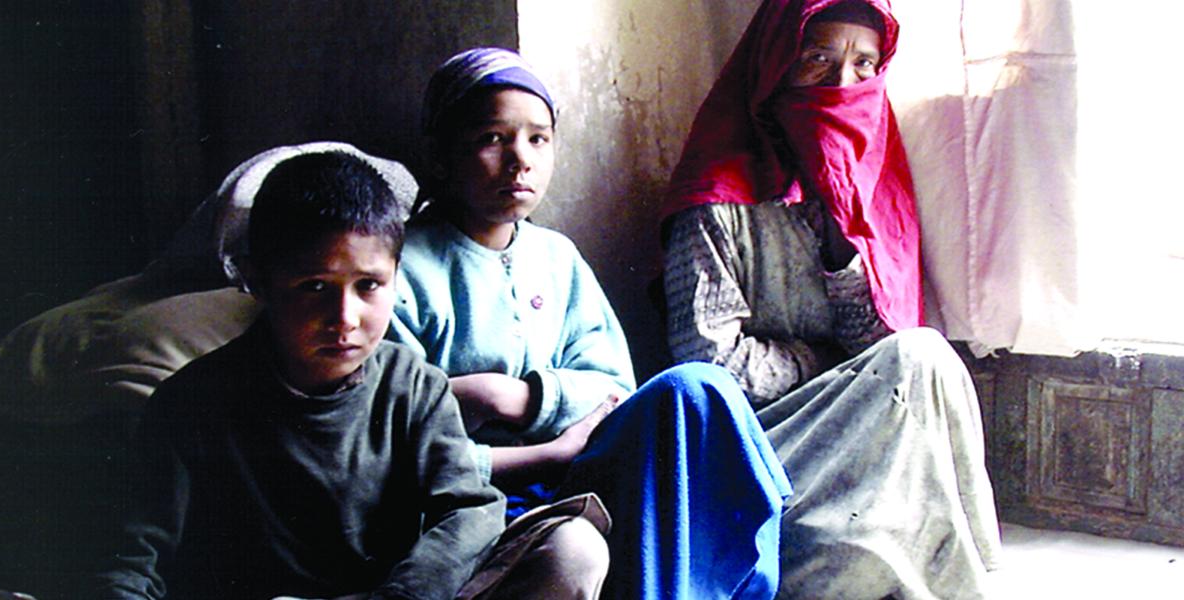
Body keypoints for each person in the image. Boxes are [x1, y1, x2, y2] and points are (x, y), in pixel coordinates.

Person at [93, 150, 610, 600]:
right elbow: (131, 563)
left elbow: (470, 511)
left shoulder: (412, 387)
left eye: (369, 286)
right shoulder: (193, 404)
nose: (345, 317)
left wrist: (406, 594)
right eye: (314, 286)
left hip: (397, 595)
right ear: (256, 281)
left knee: (574, 549)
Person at [388, 47, 791, 599]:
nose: (520, 160)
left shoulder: (557, 257)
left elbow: (611, 387)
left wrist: (519, 398)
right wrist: (544, 445)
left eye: (538, 138)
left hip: (582, 469)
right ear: (440, 154)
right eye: (492, 138)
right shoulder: (401, 272)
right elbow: (402, 434)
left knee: (698, 388)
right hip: (476, 498)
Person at [661, 1, 1002, 598]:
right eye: (817, 59)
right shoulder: (714, 203)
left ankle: (970, 577)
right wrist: (825, 364)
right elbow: (713, 367)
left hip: (854, 422)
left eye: (864, 65)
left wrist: (843, 252)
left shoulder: (870, 191)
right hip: (757, 441)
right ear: (774, 70)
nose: (842, 86)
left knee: (924, 361)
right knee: (918, 358)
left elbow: (880, 343)